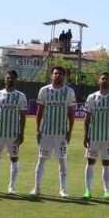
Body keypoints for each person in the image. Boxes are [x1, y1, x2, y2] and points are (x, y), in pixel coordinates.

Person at [33, 65, 76, 197]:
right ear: (51, 75)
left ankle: (63, 189)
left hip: (61, 133)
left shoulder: (69, 92)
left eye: (60, 74)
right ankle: (37, 188)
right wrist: (38, 129)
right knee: (41, 160)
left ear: (64, 76)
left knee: (62, 161)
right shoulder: (44, 90)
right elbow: (39, 111)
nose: (57, 75)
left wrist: (69, 131)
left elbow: (71, 113)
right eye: (55, 73)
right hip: (46, 132)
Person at [82, 72, 109, 200]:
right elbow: (87, 117)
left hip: (108, 138)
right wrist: (85, 135)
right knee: (90, 162)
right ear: (99, 81)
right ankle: (88, 191)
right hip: (93, 136)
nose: (105, 81)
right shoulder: (92, 97)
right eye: (103, 78)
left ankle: (107, 191)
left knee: (106, 163)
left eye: (107, 79)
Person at [0, 70, 28, 194]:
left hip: (13, 133)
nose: (10, 80)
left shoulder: (21, 96)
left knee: (14, 159)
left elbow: (23, 116)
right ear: (5, 79)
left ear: (16, 81)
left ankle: (12, 187)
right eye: (8, 78)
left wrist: (21, 133)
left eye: (12, 78)